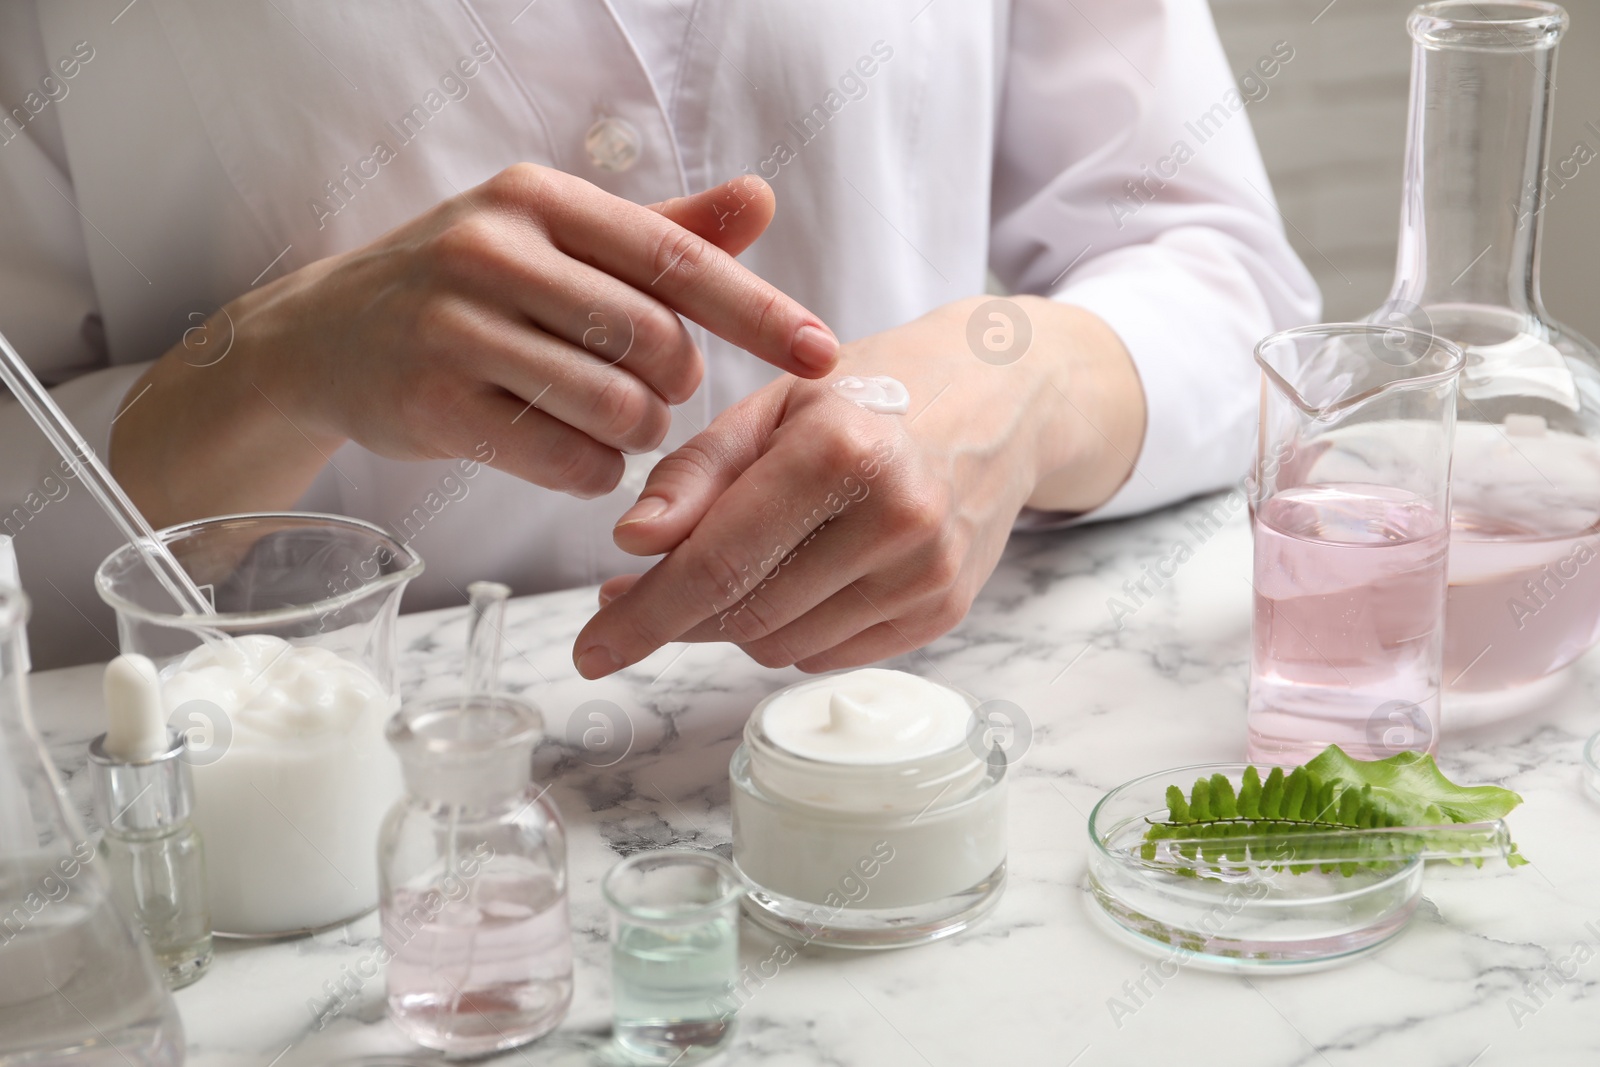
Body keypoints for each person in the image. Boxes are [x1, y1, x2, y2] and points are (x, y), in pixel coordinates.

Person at [0, 1, 1317, 672]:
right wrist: (280, 367)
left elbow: (1231, 280)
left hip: (927, 776)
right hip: (326, 862)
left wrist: (1015, 385)